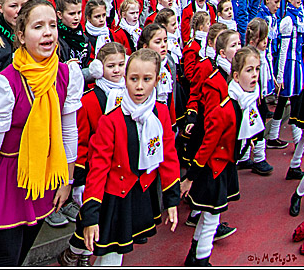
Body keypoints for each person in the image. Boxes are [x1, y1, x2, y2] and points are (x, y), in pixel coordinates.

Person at [0, 0, 82, 266]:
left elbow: (69, 132)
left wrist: (66, 180)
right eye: (38, 26)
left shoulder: (66, 74)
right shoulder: (4, 83)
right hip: (8, 177)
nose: (48, 32)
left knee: (23, 252)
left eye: (52, 25)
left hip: (44, 174)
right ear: (21, 36)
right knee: (7, 258)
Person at [80, 48, 181, 266]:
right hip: (113, 196)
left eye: (147, 79)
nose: (139, 86)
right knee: (111, 256)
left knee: (115, 255)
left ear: (156, 80)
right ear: (125, 78)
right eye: (134, 79)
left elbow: (169, 158)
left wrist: (172, 200)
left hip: (140, 192)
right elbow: (98, 170)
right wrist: (91, 215)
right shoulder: (110, 121)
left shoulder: (161, 113)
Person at [181, 46, 261, 266]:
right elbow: (207, 145)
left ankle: (192, 257)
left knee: (208, 216)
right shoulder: (225, 108)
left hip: (224, 166)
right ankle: (202, 260)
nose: (254, 75)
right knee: (211, 219)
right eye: (249, 70)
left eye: (257, 69)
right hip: (212, 169)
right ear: (235, 76)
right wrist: (191, 177)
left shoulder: (247, 101)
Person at [59, 42, 127, 266]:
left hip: (120, 170)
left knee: (111, 218)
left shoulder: (131, 96)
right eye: (111, 66)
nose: (116, 70)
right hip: (94, 171)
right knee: (93, 216)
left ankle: (80, 253)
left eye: (120, 65)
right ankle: (78, 252)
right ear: (99, 68)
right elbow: (81, 142)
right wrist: (79, 179)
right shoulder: (88, 101)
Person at [272, 0, 304, 172]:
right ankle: (295, 140)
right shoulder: (287, 21)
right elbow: (283, 50)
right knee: (291, 100)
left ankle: (277, 134)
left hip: (298, 64)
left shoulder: (300, 16)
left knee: (289, 101)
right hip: (290, 66)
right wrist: (280, 74)